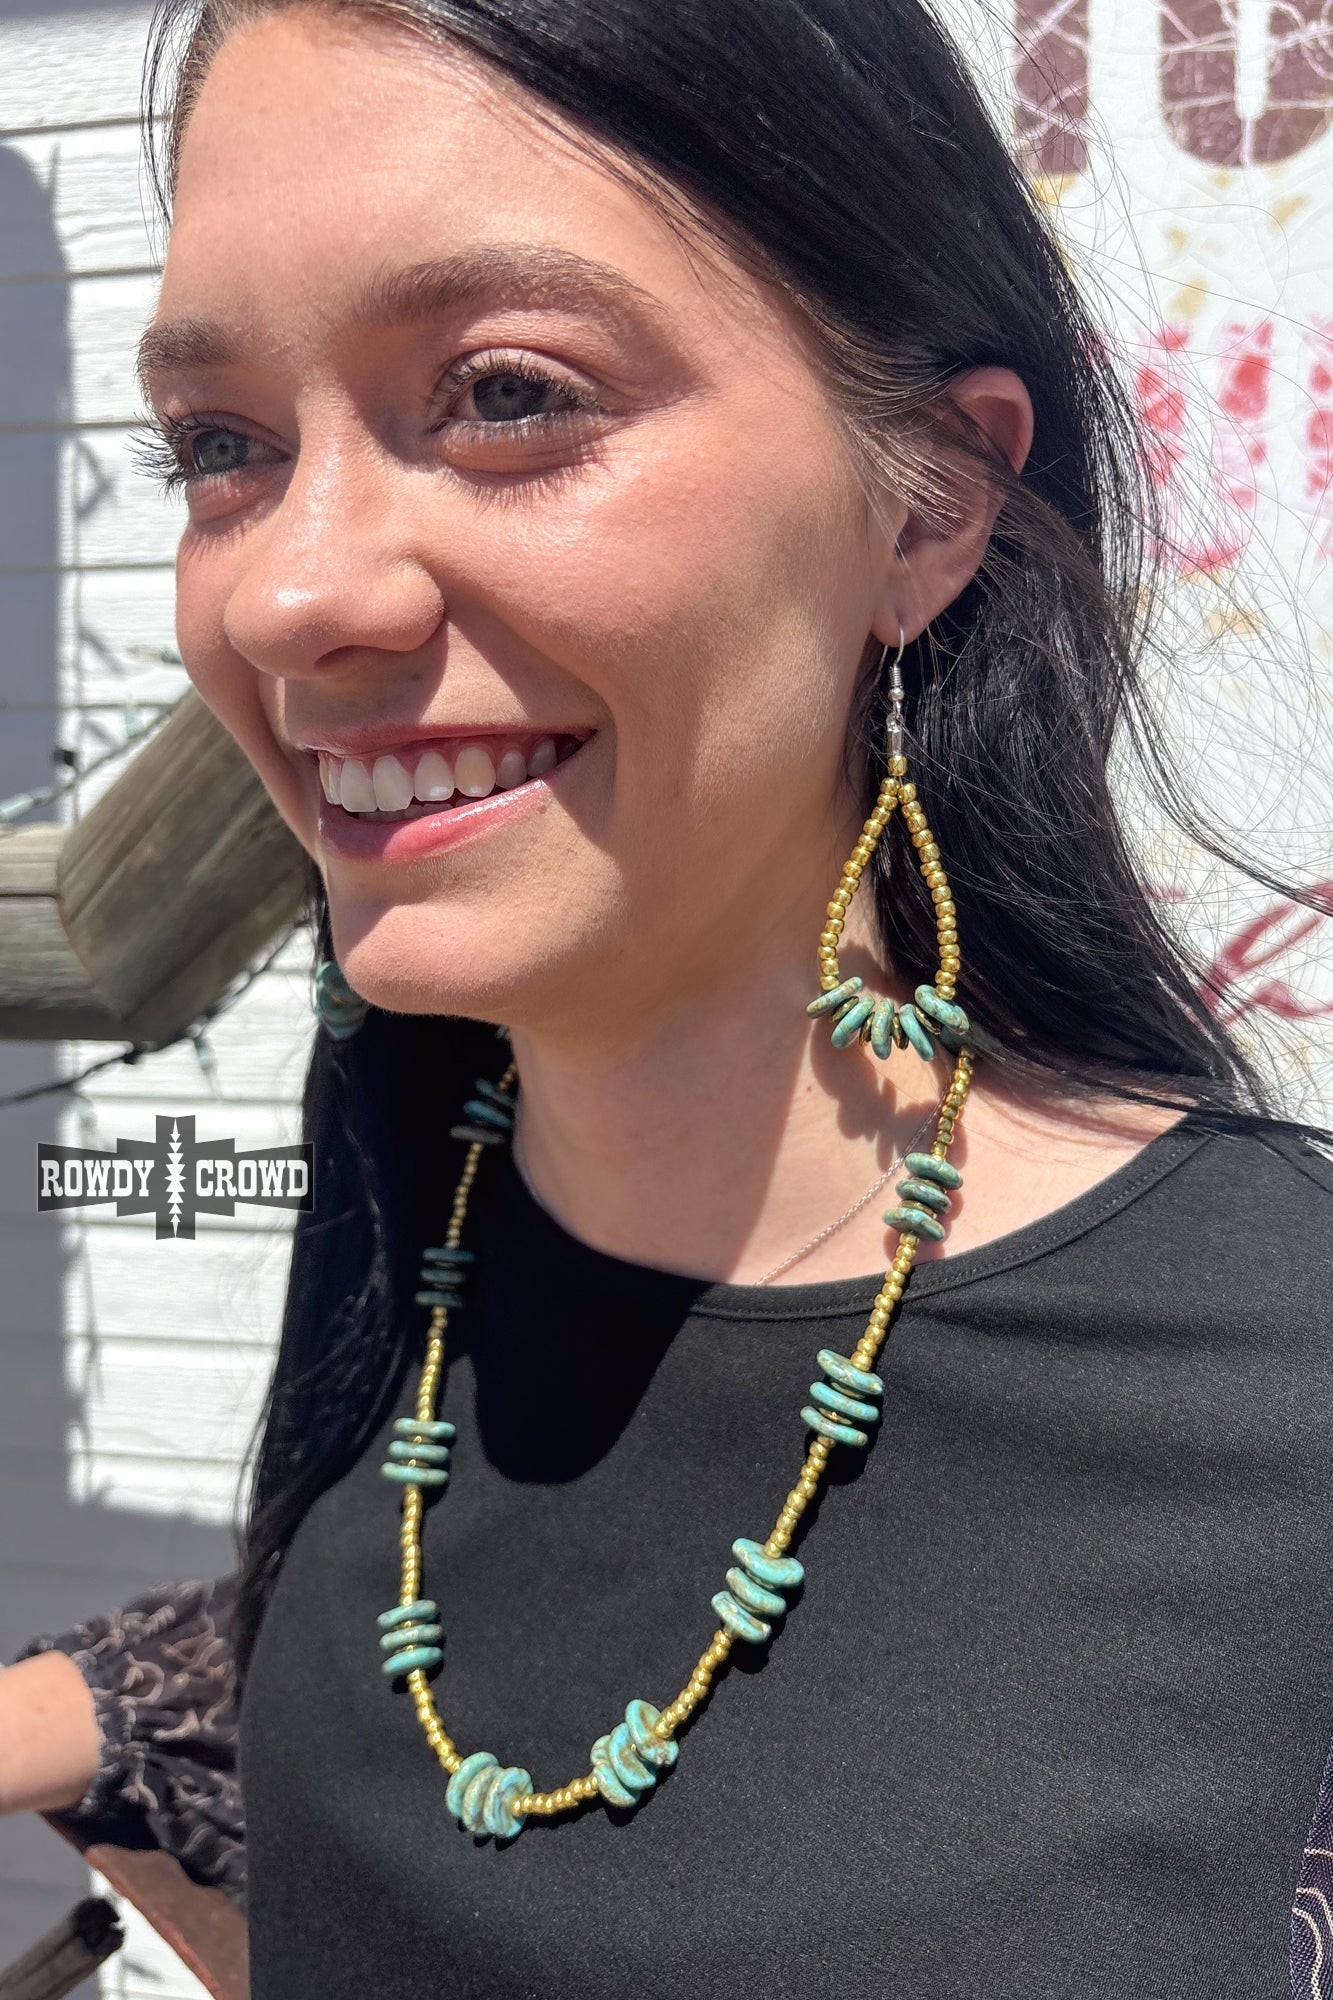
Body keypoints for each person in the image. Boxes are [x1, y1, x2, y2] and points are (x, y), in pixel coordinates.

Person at [2, 0, 1330, 1992]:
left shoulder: (1275, 1404)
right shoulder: (417, 1174)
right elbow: (417, 1643)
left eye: (505, 394)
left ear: (924, 505)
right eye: (223, 445)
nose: (288, 594)